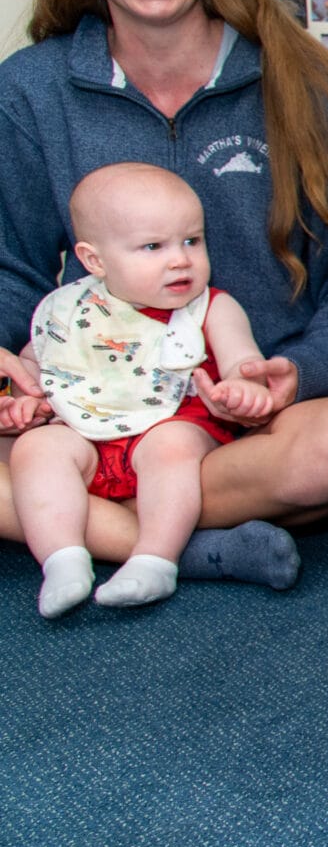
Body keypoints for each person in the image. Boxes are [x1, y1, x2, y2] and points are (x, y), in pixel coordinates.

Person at [0, 0, 328, 593]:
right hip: (84, 413)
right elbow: (9, 267)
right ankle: (178, 546)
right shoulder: (31, 90)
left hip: (244, 426)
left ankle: (92, 529)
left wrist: (303, 372)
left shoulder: (304, 81)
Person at [3, 165, 277, 617]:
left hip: (175, 423)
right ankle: (62, 558)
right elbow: (39, 366)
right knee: (37, 447)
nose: (180, 259)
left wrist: (244, 389)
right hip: (88, 435)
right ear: (94, 260)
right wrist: (27, 403)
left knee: (169, 445)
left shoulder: (211, 307)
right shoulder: (71, 310)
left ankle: (155, 560)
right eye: (154, 247)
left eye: (192, 240)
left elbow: (243, 364)